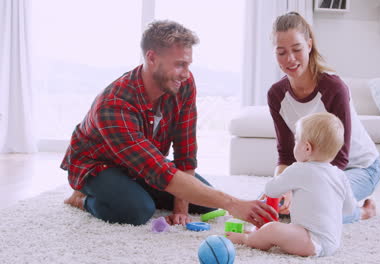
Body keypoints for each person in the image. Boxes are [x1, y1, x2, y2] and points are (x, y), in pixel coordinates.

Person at [62, 20, 276, 227]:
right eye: (179, 65)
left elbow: (186, 147)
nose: (185, 74)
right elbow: (159, 170)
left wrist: (180, 209)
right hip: (98, 165)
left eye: (188, 64)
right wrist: (233, 204)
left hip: (144, 163)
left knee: (204, 204)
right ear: (152, 57)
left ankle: (131, 189)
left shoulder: (182, 84)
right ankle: (82, 199)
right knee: (137, 210)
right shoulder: (113, 105)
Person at [267, 12, 380, 223]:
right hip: (315, 168)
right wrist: (283, 188)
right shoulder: (276, 94)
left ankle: (363, 212)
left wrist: (302, 186)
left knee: (314, 206)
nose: (290, 59)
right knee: (272, 205)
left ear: (309, 45)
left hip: (359, 167)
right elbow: (285, 155)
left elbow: (340, 157)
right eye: (281, 52)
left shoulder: (333, 88)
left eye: (297, 49)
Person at [227, 113, 374, 257]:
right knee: (286, 229)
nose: (294, 144)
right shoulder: (340, 175)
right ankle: (262, 235)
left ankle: (247, 239)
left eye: (296, 140)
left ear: (307, 148)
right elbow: (348, 209)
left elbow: (270, 190)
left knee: (272, 229)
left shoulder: (299, 169)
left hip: (309, 240)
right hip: (333, 242)